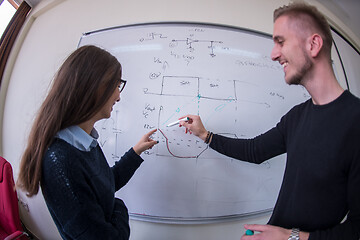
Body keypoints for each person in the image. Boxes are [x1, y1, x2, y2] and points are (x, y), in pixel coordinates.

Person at [179, 3, 360, 240]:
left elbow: (356, 230)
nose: (274, 54)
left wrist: (290, 237)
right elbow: (255, 151)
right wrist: (204, 135)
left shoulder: (355, 121)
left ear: (313, 44)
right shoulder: (296, 116)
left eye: (281, 41)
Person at [16, 45, 158, 240]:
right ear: (95, 86)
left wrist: (136, 151)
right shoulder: (61, 160)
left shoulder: (84, 141)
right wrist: (120, 206)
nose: (119, 96)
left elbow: (107, 183)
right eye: (117, 85)